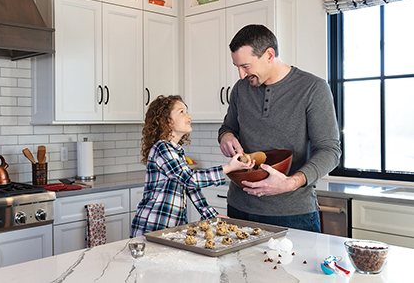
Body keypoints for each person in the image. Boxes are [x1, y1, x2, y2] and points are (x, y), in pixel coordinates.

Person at [218, 24, 341, 232]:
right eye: (237, 67)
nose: (241, 75)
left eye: (246, 66)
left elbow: (330, 151)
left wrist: (291, 182)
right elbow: (228, 127)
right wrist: (226, 136)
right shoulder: (240, 90)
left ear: (269, 55)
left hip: (292, 214)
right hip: (240, 209)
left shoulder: (313, 89)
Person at [130, 95, 254, 237]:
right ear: (167, 121)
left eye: (186, 111)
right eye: (181, 112)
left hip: (171, 228)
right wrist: (228, 168)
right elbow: (190, 179)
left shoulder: (176, 151)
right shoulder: (162, 148)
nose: (188, 115)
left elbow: (190, 187)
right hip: (153, 226)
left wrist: (212, 215)